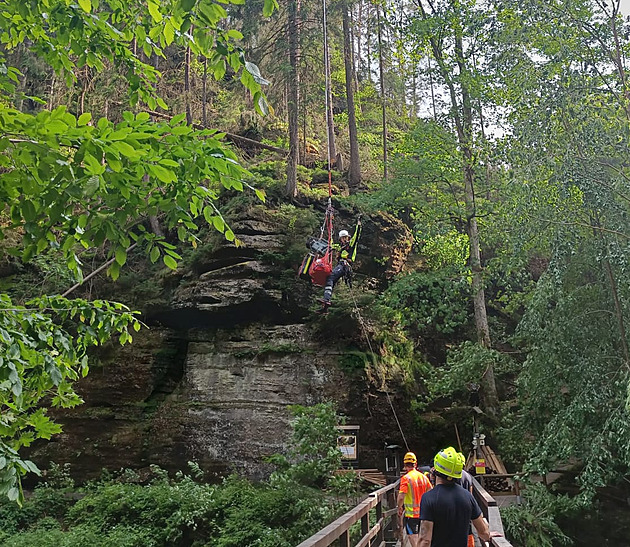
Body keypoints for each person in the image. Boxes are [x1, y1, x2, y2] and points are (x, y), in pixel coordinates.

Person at [419, 447, 492, 547]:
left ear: (436, 469)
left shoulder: (428, 498)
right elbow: (484, 533)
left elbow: (425, 540)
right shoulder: (467, 496)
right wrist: (489, 534)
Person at [318, 218, 362, 313]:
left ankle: (326, 300)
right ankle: (325, 305)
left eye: (344, 237)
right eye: (342, 238)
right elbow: (331, 246)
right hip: (341, 266)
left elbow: (357, 235)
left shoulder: (351, 244)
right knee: (330, 281)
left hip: (345, 265)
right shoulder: (340, 247)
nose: (343, 239)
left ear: (347, 238)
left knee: (330, 277)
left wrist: (358, 224)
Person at [397, 451, 433, 547]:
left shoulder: (406, 478)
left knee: (413, 538)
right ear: (415, 464)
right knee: (423, 537)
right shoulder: (423, 477)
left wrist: (399, 507)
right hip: (424, 513)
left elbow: (401, 496)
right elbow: (431, 491)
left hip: (411, 515)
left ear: (404, 465)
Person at [455, 452, 475, 547]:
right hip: (467, 507)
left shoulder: (455, 476)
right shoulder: (468, 476)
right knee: (468, 528)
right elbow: (470, 492)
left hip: (455, 507)